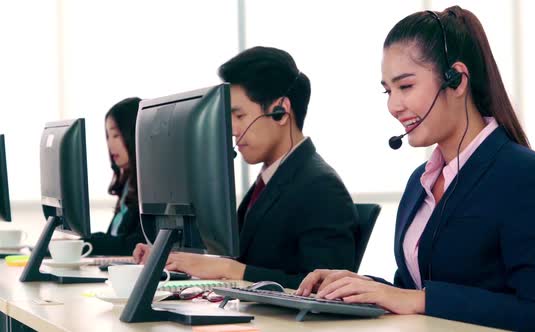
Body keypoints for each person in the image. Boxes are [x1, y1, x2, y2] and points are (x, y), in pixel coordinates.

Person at [296, 6, 535, 331]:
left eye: (406, 86)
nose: (393, 105)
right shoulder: (421, 182)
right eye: (388, 90)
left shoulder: (527, 177)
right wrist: (356, 286)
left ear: (456, 81)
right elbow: (411, 289)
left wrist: (419, 299)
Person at [134, 46, 358, 289]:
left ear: (280, 111)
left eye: (239, 116)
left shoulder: (320, 186)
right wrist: (181, 259)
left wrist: (231, 269)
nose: (230, 129)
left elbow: (326, 287)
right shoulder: (272, 179)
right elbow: (250, 260)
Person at [85, 97, 147, 256]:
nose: (110, 144)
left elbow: (135, 245)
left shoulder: (150, 185)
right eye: (107, 136)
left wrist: (88, 242)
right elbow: (115, 238)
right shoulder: (127, 182)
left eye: (116, 135)